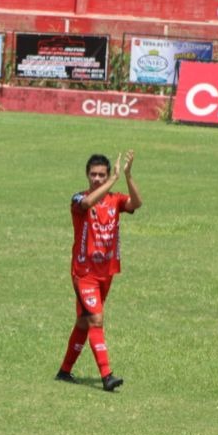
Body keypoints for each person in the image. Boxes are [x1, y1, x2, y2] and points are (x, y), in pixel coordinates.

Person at [56, 151, 142, 392]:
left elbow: (136, 204)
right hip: (84, 273)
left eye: (101, 175)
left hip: (106, 272)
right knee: (96, 319)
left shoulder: (115, 200)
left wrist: (127, 176)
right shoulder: (78, 199)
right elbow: (87, 203)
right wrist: (112, 181)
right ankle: (107, 376)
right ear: (87, 175)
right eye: (93, 174)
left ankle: (64, 371)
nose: (96, 178)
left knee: (84, 322)